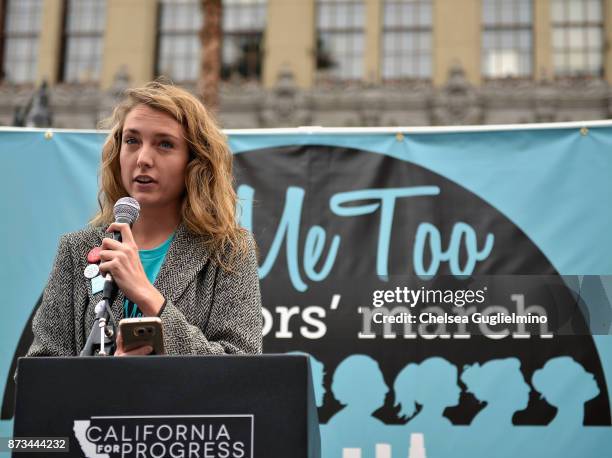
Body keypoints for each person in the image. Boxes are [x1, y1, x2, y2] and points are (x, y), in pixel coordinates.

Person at [25, 81, 262, 357]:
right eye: (132, 141)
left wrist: (146, 294)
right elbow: (39, 372)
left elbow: (240, 369)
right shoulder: (77, 250)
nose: (143, 159)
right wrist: (107, 376)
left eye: (164, 144)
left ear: (194, 161)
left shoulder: (228, 250)